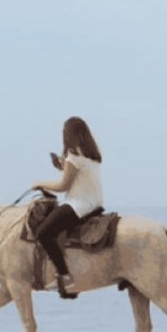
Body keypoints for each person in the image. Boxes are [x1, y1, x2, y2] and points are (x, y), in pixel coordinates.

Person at [30, 117, 104, 300]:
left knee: (43, 233)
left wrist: (40, 184)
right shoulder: (90, 154)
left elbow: (63, 186)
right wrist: (62, 166)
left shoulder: (73, 154)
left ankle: (64, 276)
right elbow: (76, 175)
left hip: (79, 204)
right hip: (94, 202)